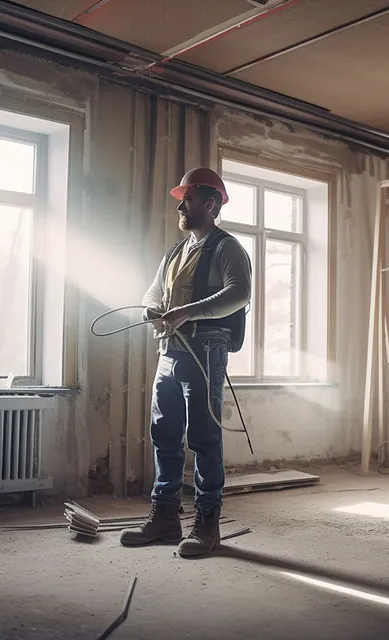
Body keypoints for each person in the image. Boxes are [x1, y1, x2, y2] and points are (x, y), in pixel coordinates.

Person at [120, 167, 252, 558]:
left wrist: (188, 312)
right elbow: (152, 292)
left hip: (205, 353)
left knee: (204, 438)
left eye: (189, 199)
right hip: (170, 354)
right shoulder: (176, 251)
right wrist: (152, 310)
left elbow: (239, 293)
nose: (181, 205)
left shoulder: (227, 248)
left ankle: (207, 525)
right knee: (164, 434)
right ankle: (164, 517)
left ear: (209, 204)